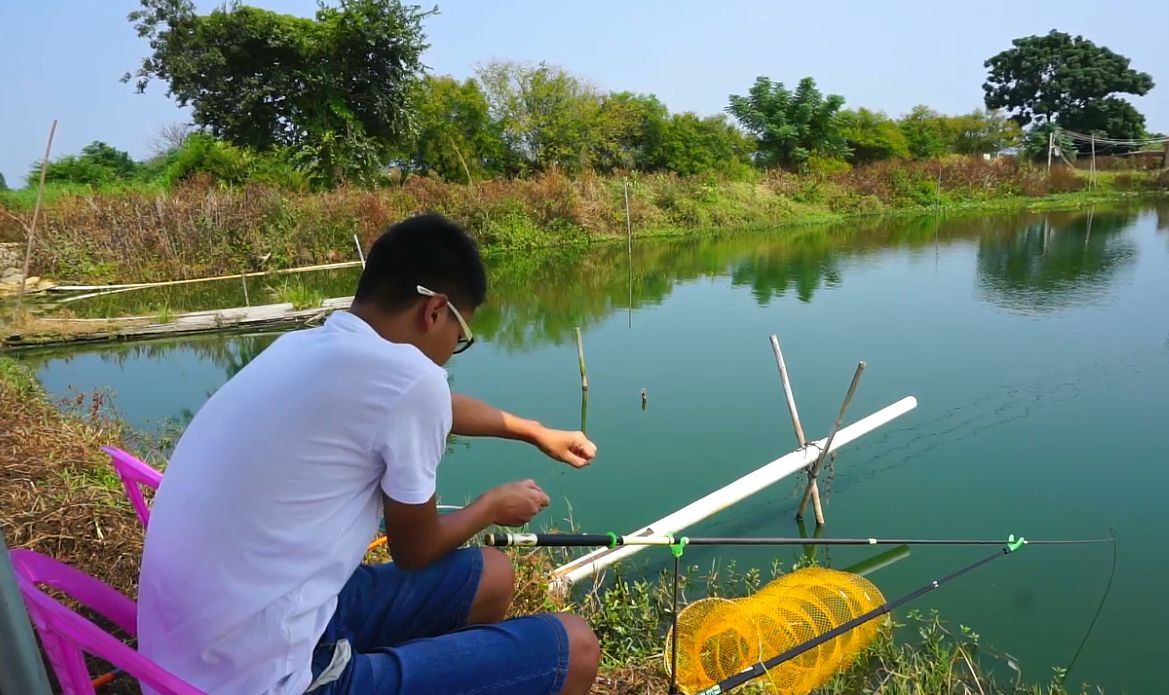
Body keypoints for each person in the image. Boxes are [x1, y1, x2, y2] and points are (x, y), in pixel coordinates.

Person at [138, 213, 601, 695]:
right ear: (435, 310)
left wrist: (534, 431)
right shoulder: (409, 378)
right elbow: (415, 551)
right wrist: (492, 507)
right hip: (262, 679)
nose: (451, 351)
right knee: (575, 647)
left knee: (491, 574)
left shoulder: (302, 346)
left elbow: (429, 404)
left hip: (198, 649)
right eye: (460, 338)